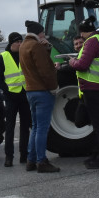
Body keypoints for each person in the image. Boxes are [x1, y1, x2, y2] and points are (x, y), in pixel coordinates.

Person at [66, 18, 99, 169]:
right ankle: (98, 153)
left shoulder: (91, 41)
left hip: (92, 90)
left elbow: (82, 65)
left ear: (83, 31)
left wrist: (71, 61)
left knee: (98, 125)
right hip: (98, 88)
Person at [18, 20, 60, 173]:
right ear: (37, 33)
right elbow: (45, 71)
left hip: (30, 91)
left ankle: (31, 160)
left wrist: (46, 48)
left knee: (35, 127)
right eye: (42, 32)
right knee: (42, 128)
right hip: (42, 91)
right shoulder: (36, 46)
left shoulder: (24, 45)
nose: (44, 35)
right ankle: (41, 161)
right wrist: (53, 87)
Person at [0, 31, 31, 167]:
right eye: (17, 42)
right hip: (11, 97)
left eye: (21, 41)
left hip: (24, 95)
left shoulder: (24, 55)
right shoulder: (3, 57)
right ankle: (9, 157)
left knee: (25, 127)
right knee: (10, 128)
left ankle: (24, 155)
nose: (20, 44)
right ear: (11, 43)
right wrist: (7, 91)